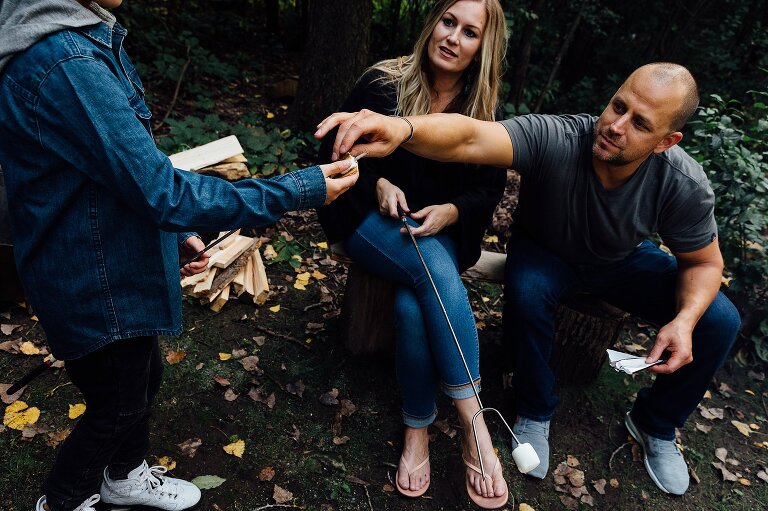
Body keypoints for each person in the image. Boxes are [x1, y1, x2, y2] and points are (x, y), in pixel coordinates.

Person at [316, 62, 741, 496]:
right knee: (529, 288)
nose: (615, 125)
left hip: (621, 262)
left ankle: (656, 425)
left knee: (720, 320)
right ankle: (534, 411)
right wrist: (402, 129)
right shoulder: (560, 137)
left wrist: (685, 319)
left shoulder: (682, 182)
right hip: (545, 251)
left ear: (666, 142)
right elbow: (471, 135)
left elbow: (704, 264)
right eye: (618, 106)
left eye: (640, 123)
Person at [0, 1, 357, 510]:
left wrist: (173, 234)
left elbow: (113, 174)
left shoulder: (83, 36)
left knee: (143, 377)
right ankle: (64, 498)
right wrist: (298, 189)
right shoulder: (64, 62)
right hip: (89, 273)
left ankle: (123, 475)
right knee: (117, 403)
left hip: (111, 255)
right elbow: (160, 190)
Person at [316, 0, 508, 506]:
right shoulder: (383, 84)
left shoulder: (484, 108)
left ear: (482, 47)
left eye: (469, 32)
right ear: (433, 24)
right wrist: (377, 180)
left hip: (433, 230)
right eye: (448, 22)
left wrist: (451, 210)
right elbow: (332, 152)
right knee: (428, 271)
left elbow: (488, 191)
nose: (453, 38)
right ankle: (474, 423)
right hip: (365, 218)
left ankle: (417, 428)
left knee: (413, 301)